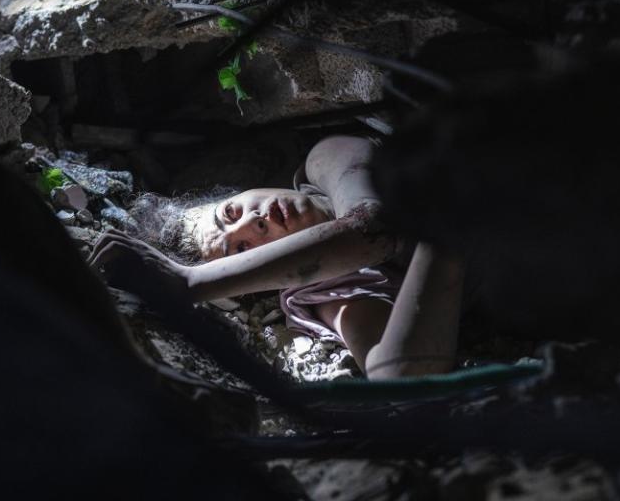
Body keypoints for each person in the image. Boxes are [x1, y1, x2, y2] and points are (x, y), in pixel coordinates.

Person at [89, 135, 465, 379]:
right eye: (240, 250)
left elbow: (373, 227)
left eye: (231, 213)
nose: (254, 222)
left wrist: (189, 283)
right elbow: (401, 375)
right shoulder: (327, 295)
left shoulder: (324, 161)